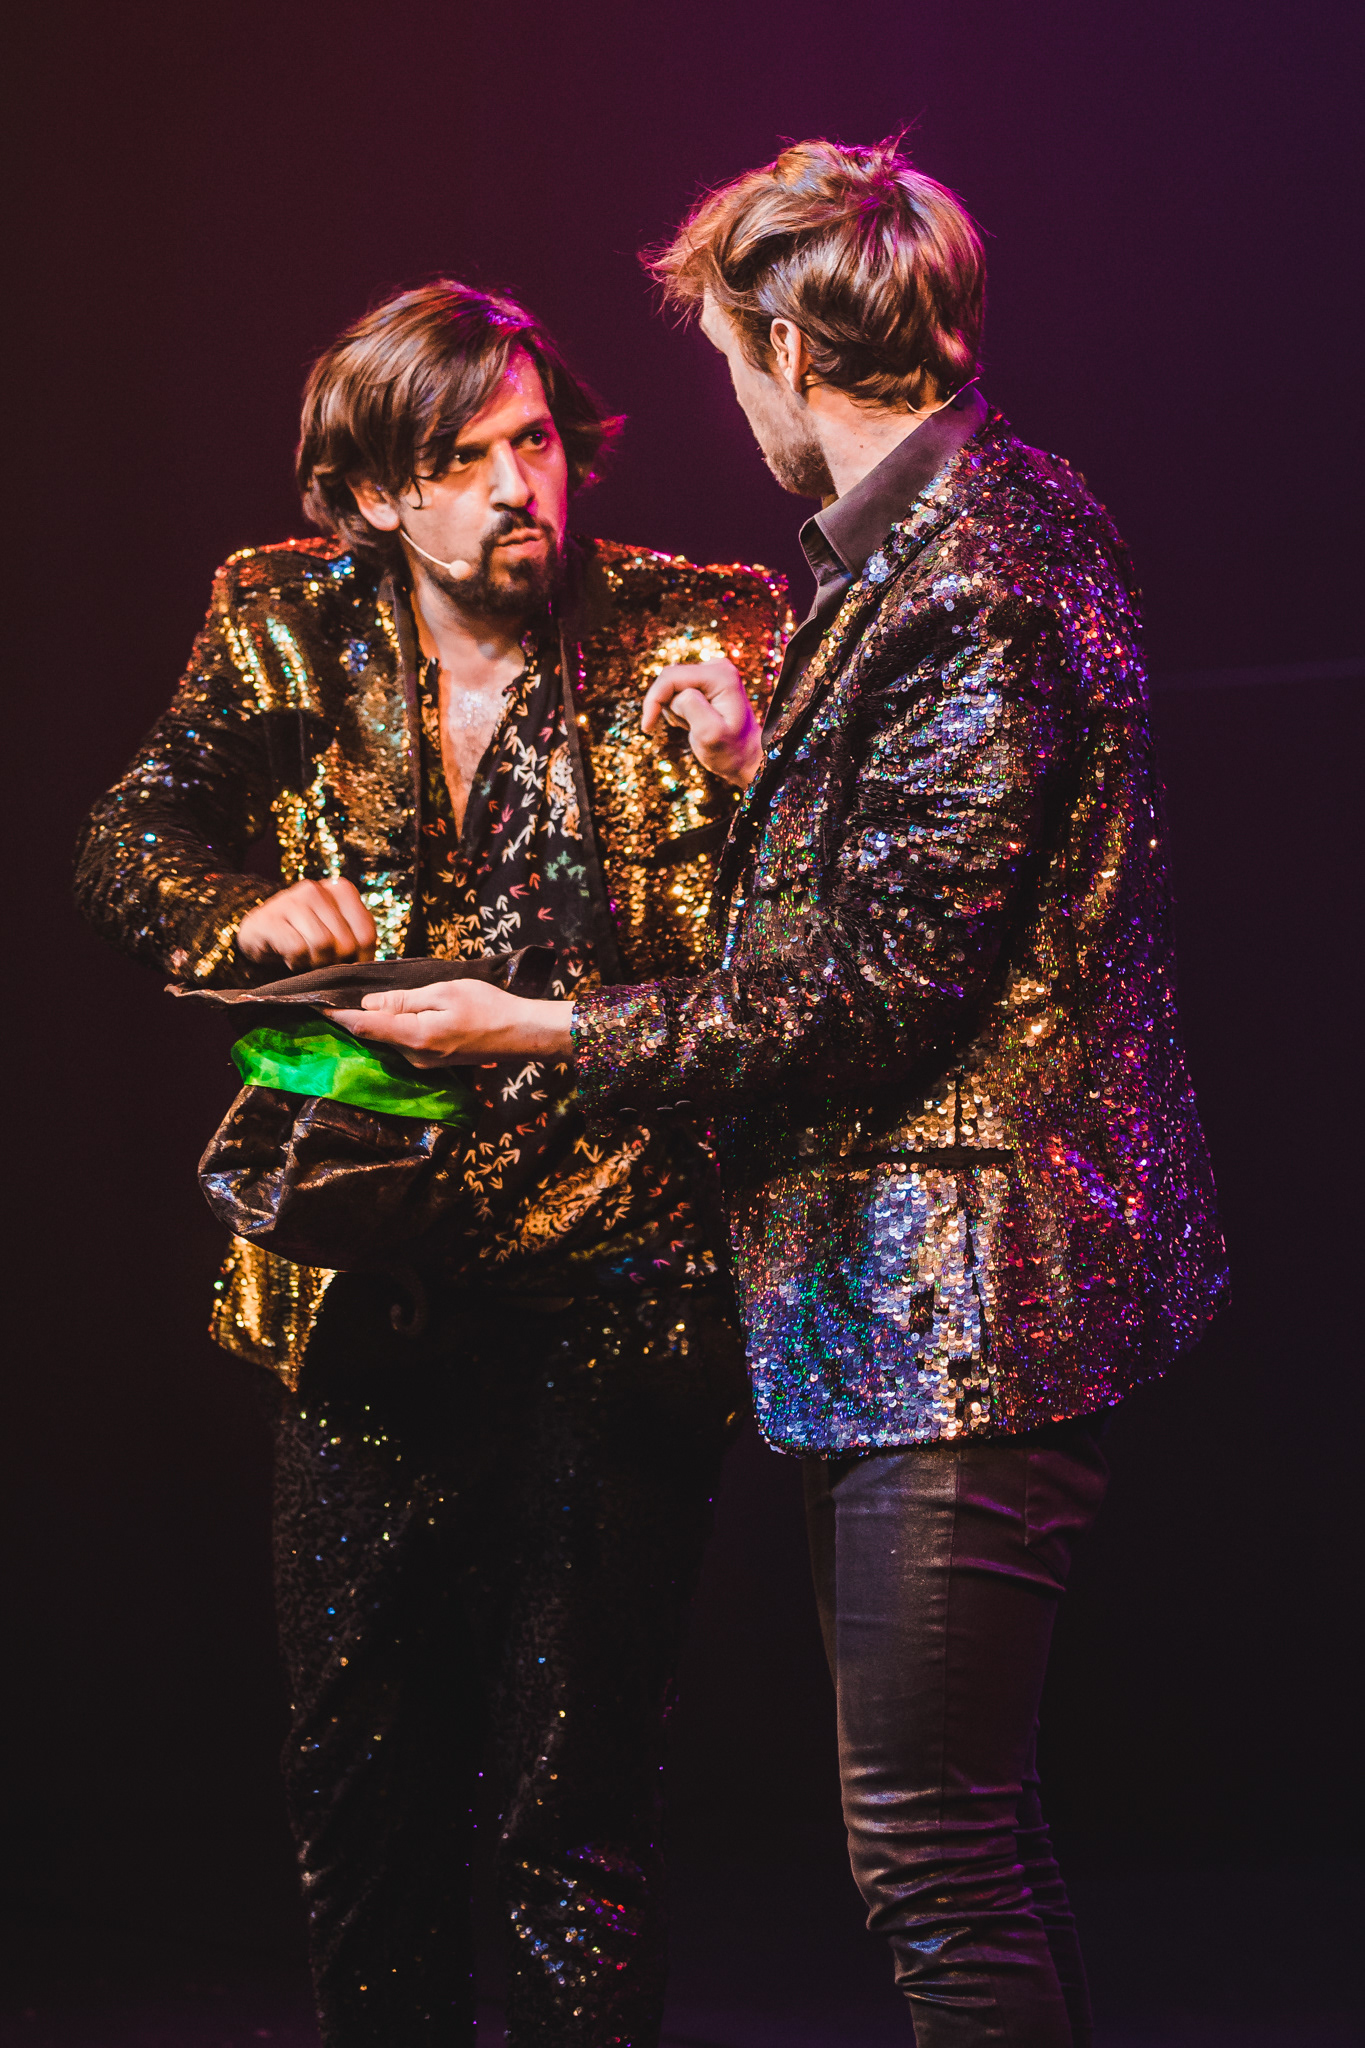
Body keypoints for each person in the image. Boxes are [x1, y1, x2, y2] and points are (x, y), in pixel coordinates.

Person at [335, 143, 1229, 2046]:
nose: (731, 403)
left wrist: (539, 1033)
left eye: (729, 357)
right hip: (915, 1306)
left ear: (788, 345)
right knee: (973, 1837)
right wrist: (771, 773)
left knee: (931, 1854)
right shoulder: (947, 529)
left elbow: (885, 988)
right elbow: (937, 875)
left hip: (965, 1306)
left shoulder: (978, 568)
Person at [74, 279, 787, 2047]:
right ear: (377, 492)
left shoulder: (701, 623)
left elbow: (810, 962)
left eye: (532, 441)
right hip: (366, 1287)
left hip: (619, 1276)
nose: (516, 486)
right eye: (462, 459)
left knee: (576, 1801)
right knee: (363, 1785)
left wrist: (750, 771)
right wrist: (244, 911)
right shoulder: (282, 623)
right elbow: (129, 837)